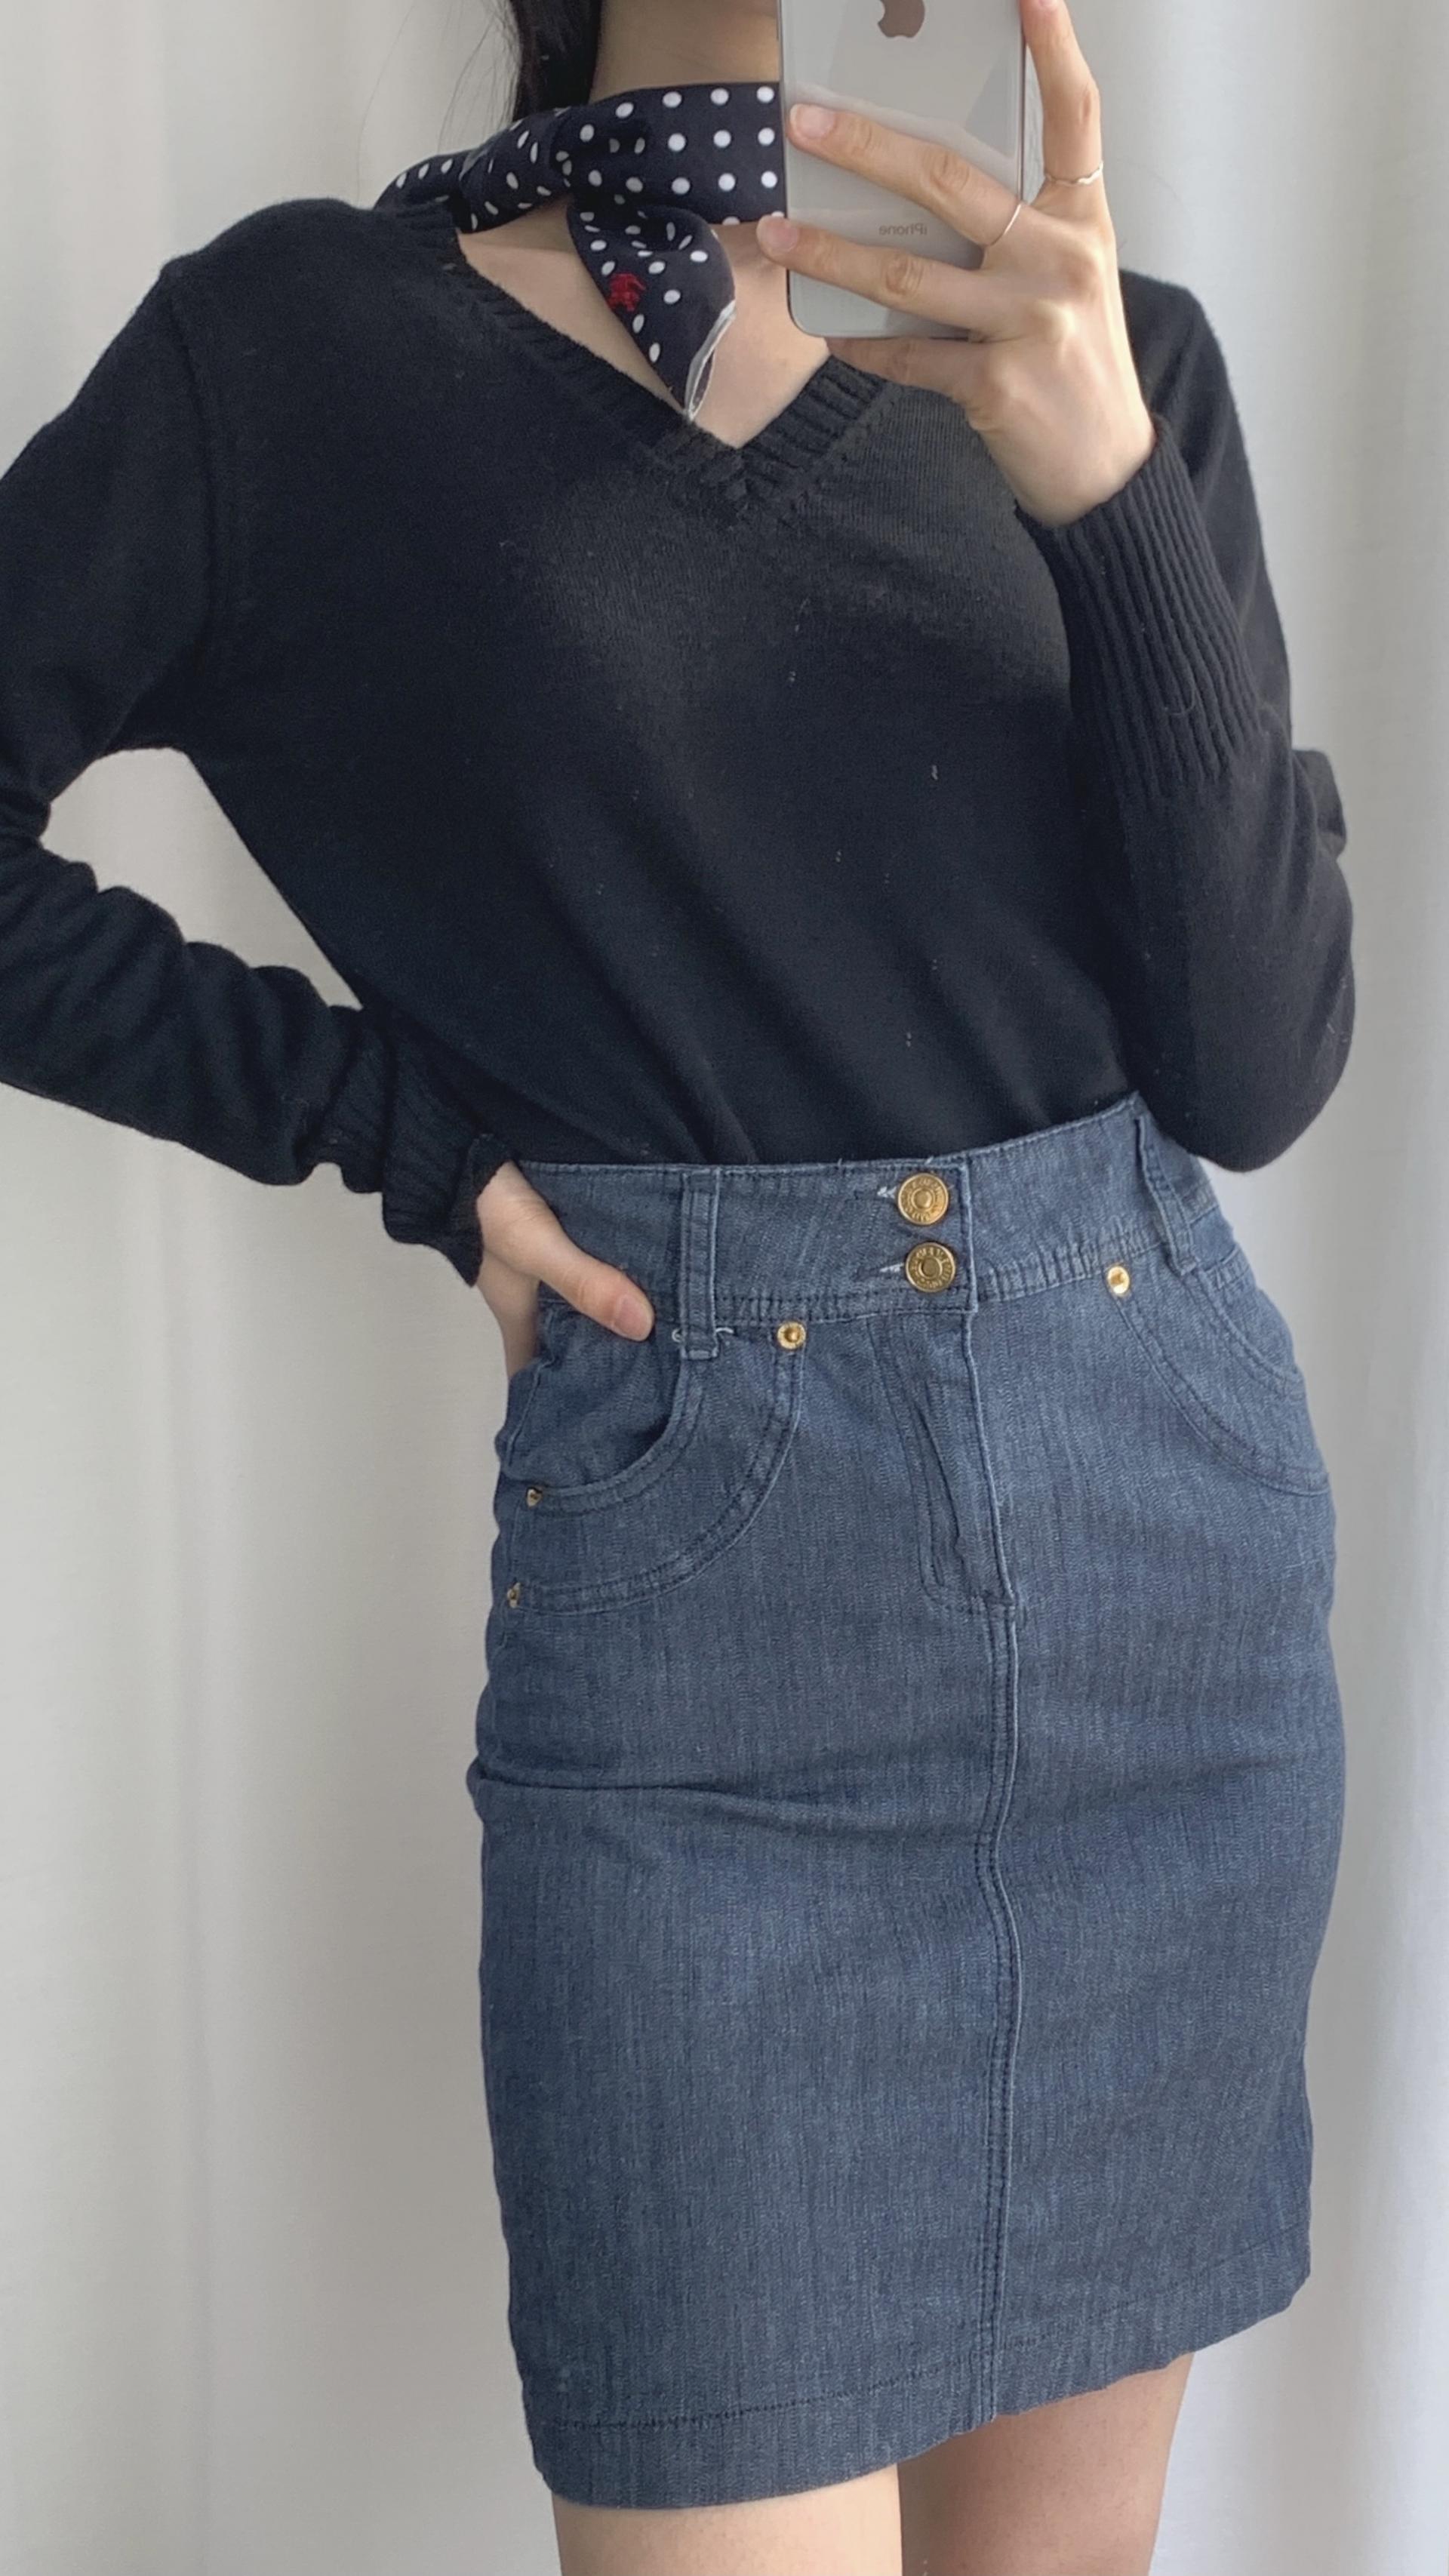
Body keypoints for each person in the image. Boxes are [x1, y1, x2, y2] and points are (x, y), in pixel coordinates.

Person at [0, 0, 1354, 2567]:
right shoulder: (295, 357)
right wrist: (389, 1131)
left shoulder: (1109, 348)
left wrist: (1104, 488)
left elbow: (1261, 1065)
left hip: (1160, 1562)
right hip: (708, 1646)